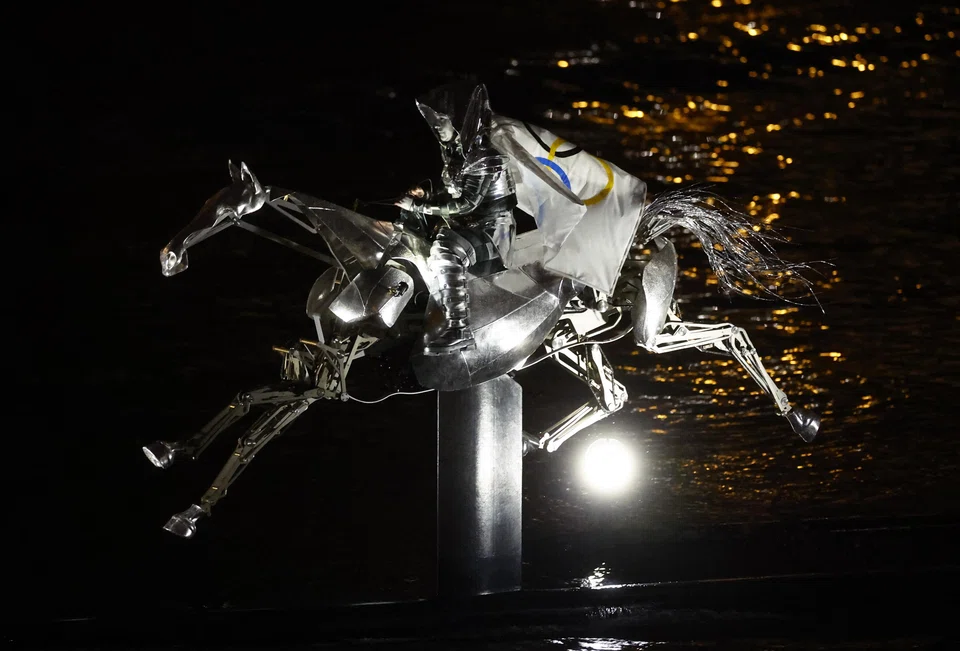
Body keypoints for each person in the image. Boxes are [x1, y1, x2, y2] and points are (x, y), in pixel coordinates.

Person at [396, 83, 517, 355]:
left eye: (442, 119)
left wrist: (419, 206)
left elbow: (467, 203)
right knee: (423, 239)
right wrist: (427, 195)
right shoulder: (455, 153)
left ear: (458, 120)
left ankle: (459, 328)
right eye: (434, 120)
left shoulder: (485, 157)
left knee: (445, 249)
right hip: (471, 227)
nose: (437, 126)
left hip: (492, 233)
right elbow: (454, 192)